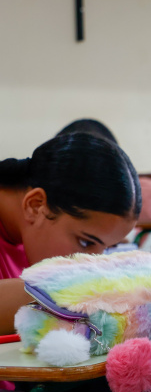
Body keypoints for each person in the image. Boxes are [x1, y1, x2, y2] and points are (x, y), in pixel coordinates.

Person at [0, 133, 141, 333]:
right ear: (36, 205)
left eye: (106, 249)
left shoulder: (33, 233)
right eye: (85, 243)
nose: (92, 264)